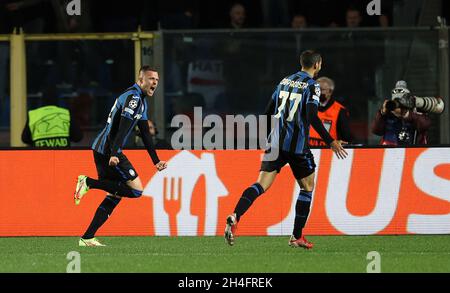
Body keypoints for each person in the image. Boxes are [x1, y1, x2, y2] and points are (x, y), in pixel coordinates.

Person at [224, 50, 348, 249]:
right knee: (307, 187)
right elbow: (312, 116)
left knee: (260, 185)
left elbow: (267, 112)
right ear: (317, 65)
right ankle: (296, 236)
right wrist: (331, 141)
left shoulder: (284, 81)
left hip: (276, 143)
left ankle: (236, 214)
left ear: (301, 63)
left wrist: (267, 138)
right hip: (297, 146)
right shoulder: (312, 86)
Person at [74, 66, 168, 246]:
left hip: (103, 148)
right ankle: (88, 182)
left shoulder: (141, 100)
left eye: (156, 79)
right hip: (108, 149)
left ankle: (87, 237)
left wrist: (155, 161)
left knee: (115, 194)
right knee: (136, 190)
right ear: (141, 80)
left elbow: (145, 134)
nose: (154, 82)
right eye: (150, 79)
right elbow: (123, 125)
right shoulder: (134, 98)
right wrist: (115, 152)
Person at [371, 80, 432, 145]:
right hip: (390, 152)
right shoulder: (388, 114)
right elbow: (376, 130)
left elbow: (425, 125)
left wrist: (406, 114)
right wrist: (382, 113)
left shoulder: (415, 111)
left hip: (413, 153)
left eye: (400, 101)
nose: (398, 105)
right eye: (396, 101)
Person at [309, 77, 352, 146]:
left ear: (330, 92)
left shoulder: (340, 111)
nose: (318, 92)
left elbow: (346, 137)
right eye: (316, 89)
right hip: (307, 151)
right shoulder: (307, 106)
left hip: (329, 153)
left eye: (321, 89)